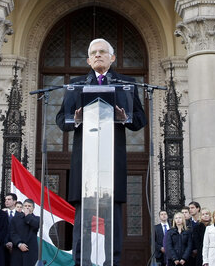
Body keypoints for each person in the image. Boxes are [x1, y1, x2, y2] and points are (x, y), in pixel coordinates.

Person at [55, 37, 147, 266]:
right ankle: (79, 262)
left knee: (112, 220)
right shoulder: (76, 85)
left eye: (102, 52)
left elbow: (140, 119)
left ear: (112, 57)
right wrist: (75, 119)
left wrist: (124, 117)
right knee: (82, 222)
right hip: (84, 165)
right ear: (88, 60)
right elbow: (60, 119)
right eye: (94, 52)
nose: (98, 55)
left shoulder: (126, 83)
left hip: (111, 163)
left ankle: (112, 262)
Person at [8, 198, 39, 266]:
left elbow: (36, 225)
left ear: (33, 208)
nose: (27, 208)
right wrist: (19, 244)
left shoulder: (37, 219)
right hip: (18, 250)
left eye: (29, 206)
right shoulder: (16, 218)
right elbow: (12, 233)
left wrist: (27, 216)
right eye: (25, 206)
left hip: (31, 251)